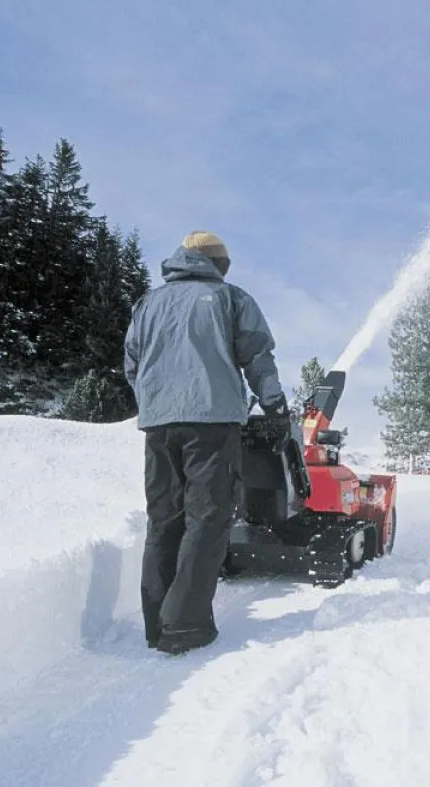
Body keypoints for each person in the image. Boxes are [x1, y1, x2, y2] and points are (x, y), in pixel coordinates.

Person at [124, 231, 290, 655]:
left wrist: (157, 402)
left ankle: (156, 625)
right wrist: (274, 403)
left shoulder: (148, 303)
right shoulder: (230, 298)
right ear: (218, 264)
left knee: (164, 519)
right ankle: (186, 625)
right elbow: (256, 356)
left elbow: (132, 363)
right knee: (210, 516)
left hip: (159, 426)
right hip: (212, 423)